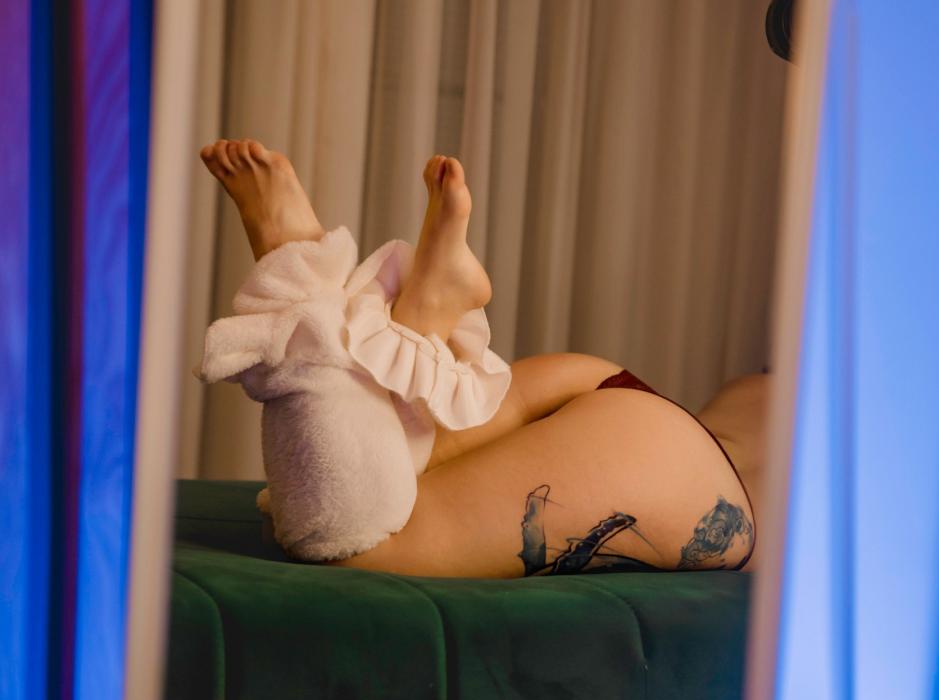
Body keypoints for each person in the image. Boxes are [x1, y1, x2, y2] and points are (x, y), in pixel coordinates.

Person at [198, 139, 765, 577]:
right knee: (349, 542)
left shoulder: (766, 389)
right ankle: (298, 274)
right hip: (687, 477)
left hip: (604, 392)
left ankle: (424, 316)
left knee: (381, 476)